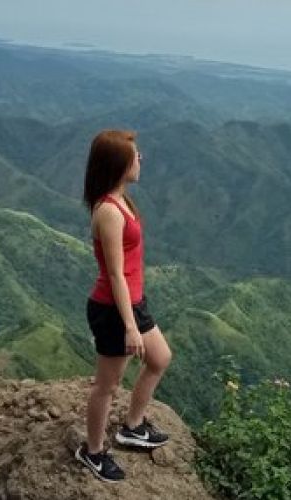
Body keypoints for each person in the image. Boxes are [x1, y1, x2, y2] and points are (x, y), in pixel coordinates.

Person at [74, 129, 173, 483]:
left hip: (132, 302)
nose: (141, 159)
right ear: (119, 164)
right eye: (135, 155)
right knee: (107, 385)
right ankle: (94, 451)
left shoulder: (122, 200)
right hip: (114, 308)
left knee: (160, 358)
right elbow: (114, 274)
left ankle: (132, 427)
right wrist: (130, 326)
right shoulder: (109, 212)